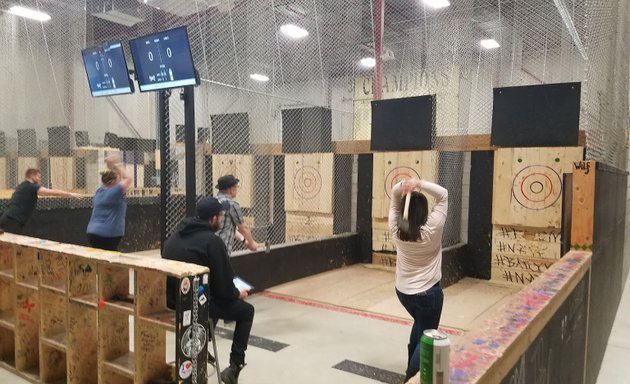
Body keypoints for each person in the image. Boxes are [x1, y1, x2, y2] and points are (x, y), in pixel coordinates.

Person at [163, 196, 254, 384]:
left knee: (212, 298)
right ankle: (235, 367)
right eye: (221, 216)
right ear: (213, 218)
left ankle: (202, 348)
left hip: (173, 301)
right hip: (196, 305)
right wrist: (238, 293)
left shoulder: (173, 237)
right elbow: (225, 289)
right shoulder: (213, 242)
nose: (221, 220)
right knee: (246, 311)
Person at [388, 177, 448, 382]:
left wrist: (404, 186)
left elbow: (395, 195)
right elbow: (443, 195)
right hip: (427, 295)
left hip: (403, 293)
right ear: (424, 212)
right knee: (426, 339)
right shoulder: (431, 229)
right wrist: (418, 183)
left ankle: (409, 370)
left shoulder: (396, 229)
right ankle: (411, 378)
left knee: (419, 327)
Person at [0, 168, 80, 234]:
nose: (39, 179)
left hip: (7, 218)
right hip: (13, 221)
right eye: (38, 177)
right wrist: (70, 194)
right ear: (32, 176)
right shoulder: (32, 187)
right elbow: (51, 192)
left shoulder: (22, 186)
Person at [86, 155, 131, 251]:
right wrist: (117, 164)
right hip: (108, 234)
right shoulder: (115, 191)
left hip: (93, 233)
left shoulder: (100, 191)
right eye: (118, 179)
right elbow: (128, 178)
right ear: (114, 181)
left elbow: (109, 178)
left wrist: (111, 167)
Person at [215, 175, 258, 255]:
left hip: (209, 246)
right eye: (236, 187)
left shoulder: (212, 201)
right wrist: (252, 244)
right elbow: (243, 228)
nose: (236, 190)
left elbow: (228, 227)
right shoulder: (232, 204)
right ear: (231, 189)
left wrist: (244, 240)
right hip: (221, 249)